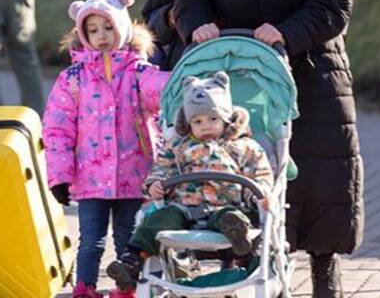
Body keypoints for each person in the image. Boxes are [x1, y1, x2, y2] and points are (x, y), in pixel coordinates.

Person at [175, 0, 361, 298]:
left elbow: (335, 0)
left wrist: (286, 32)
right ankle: (251, 273)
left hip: (310, 71)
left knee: (318, 174)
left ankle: (323, 274)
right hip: (234, 72)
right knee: (239, 173)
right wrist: (196, 22)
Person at [42, 0, 169, 298]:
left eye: (108, 27)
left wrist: (184, 82)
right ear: (83, 34)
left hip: (134, 173)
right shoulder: (73, 78)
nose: (101, 35)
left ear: (123, 27)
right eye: (93, 29)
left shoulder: (139, 72)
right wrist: (60, 175)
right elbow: (57, 129)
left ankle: (126, 288)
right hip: (90, 176)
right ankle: (85, 288)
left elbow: (162, 90)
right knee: (91, 239)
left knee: (128, 237)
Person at [106, 71, 273, 292]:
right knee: (156, 220)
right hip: (183, 208)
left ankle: (237, 234)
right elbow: (161, 169)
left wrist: (260, 194)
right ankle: (131, 263)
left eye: (213, 119)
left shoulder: (244, 146)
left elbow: (260, 175)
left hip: (226, 205)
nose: (205, 126)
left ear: (226, 118)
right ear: (188, 122)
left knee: (230, 216)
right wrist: (155, 184)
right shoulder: (178, 147)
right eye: (198, 121)